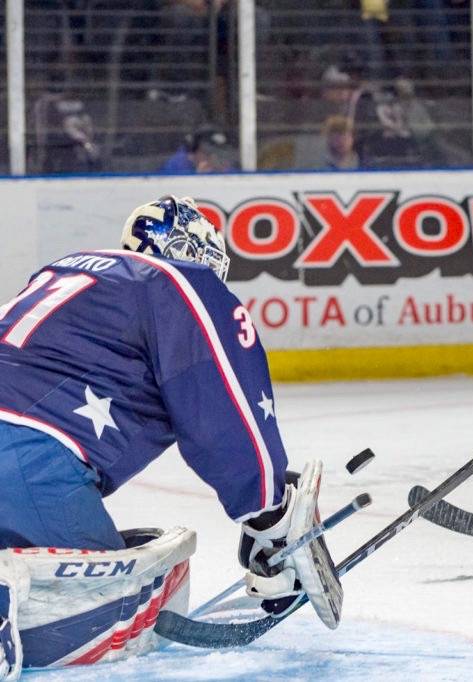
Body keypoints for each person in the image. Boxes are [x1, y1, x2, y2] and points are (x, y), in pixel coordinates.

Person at [0, 197, 344, 678]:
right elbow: (224, 407)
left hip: (24, 459)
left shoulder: (60, 273)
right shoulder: (179, 283)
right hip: (26, 467)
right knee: (110, 609)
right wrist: (270, 513)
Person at [159, 126, 238, 173]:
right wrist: (197, 176)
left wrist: (223, 171)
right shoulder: (178, 163)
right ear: (194, 149)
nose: (212, 157)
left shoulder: (220, 162)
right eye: (207, 153)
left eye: (217, 153)